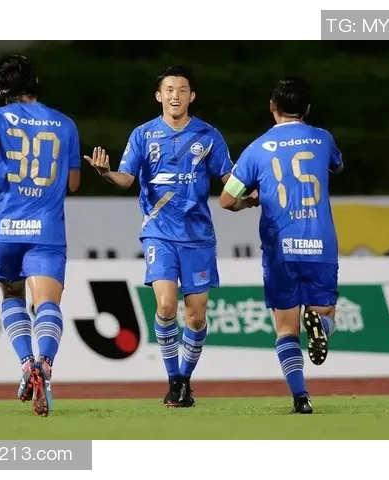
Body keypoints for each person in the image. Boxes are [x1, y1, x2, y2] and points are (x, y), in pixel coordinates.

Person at [84, 65, 257, 408]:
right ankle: (174, 379)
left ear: (191, 96)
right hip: (159, 233)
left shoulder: (208, 135)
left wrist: (251, 194)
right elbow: (126, 179)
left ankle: (185, 379)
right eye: (169, 90)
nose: (175, 95)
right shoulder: (143, 135)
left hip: (198, 236)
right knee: (165, 305)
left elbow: (229, 179)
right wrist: (106, 173)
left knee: (196, 315)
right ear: (158, 96)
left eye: (181, 90)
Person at [219, 77, 344, 414]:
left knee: (286, 329)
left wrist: (250, 201)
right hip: (320, 243)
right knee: (326, 314)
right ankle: (321, 328)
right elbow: (336, 165)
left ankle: (301, 399)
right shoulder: (323, 138)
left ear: (272, 107)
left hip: (281, 248)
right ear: (307, 108)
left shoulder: (257, 148)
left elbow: (227, 200)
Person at [0, 54, 81, 417]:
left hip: (5, 227)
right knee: (47, 303)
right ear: (35, 85)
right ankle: (45, 363)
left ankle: (25, 363)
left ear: (1, 90)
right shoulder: (65, 124)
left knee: (12, 295)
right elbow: (73, 183)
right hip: (46, 227)